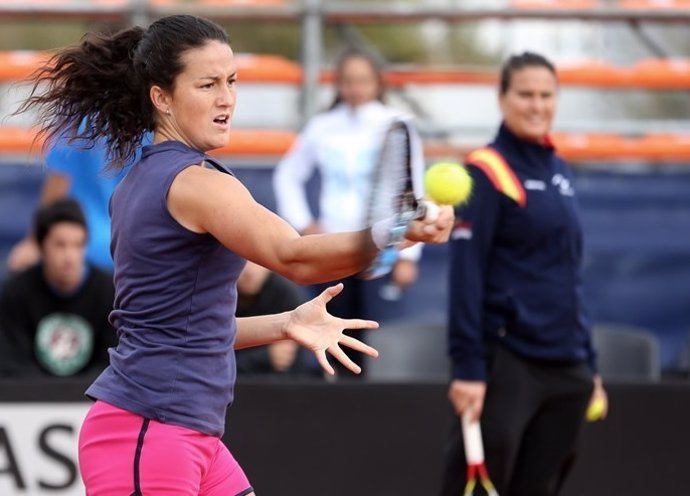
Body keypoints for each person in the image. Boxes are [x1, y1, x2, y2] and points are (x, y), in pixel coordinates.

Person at [17, 15, 453, 495]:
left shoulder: (138, 183)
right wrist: (392, 232)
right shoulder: (196, 184)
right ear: (161, 97)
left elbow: (177, 330)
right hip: (148, 433)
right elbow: (295, 257)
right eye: (207, 85)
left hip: (184, 435)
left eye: (231, 82)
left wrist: (284, 323)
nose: (226, 98)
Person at [440, 52, 608, 496]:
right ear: (502, 99)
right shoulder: (486, 171)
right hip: (507, 364)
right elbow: (466, 275)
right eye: (526, 94)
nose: (537, 105)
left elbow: (568, 273)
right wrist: (468, 366)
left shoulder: (558, 169)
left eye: (546, 95)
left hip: (568, 366)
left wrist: (588, 362)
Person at [273, 48, 425, 374]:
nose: (355, 88)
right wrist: (304, 224)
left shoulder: (396, 124)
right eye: (348, 80)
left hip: (380, 250)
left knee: (372, 341)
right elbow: (287, 175)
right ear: (339, 84)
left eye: (363, 80)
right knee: (330, 337)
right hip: (334, 249)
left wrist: (410, 256)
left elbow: (413, 188)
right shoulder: (323, 125)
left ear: (377, 82)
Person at [0, 199, 116, 378]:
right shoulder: (16, 292)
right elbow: (12, 364)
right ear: (41, 247)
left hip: (91, 401)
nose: (70, 256)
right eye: (60, 245)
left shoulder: (109, 292)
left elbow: (112, 365)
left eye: (78, 245)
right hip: (30, 402)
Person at [235, 261, 320, 378]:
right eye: (242, 260)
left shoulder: (287, 292)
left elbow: (310, 357)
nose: (250, 271)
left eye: (255, 261)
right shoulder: (216, 295)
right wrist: (264, 357)